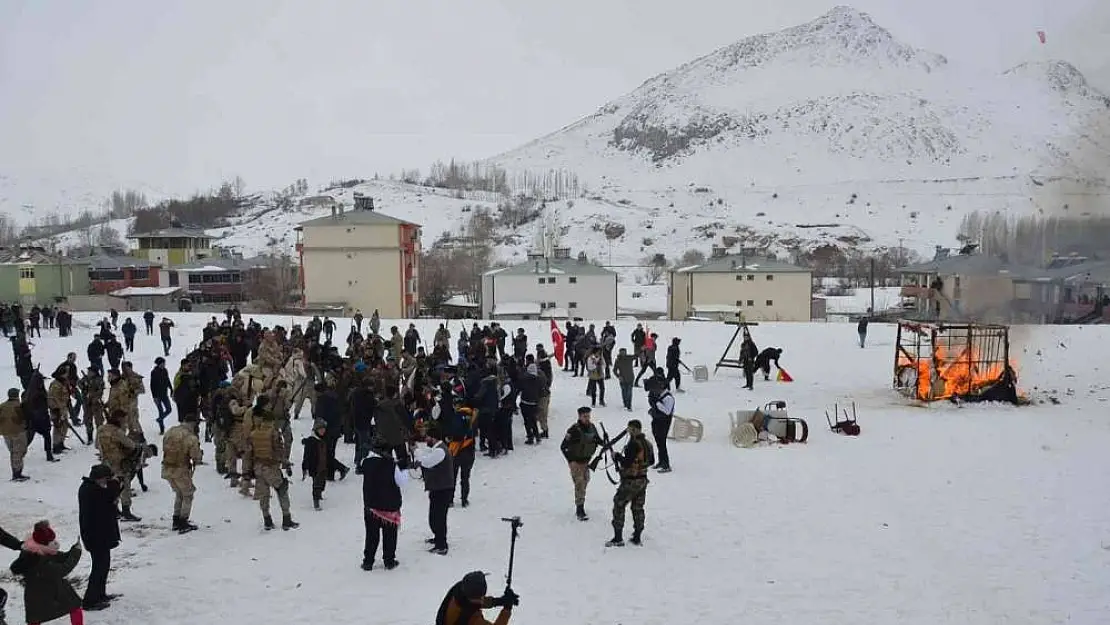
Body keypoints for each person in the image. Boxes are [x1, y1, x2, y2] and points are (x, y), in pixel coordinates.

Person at [9, 520, 84, 625]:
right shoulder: (40, 560)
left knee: (35, 618)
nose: (55, 543)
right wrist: (76, 552)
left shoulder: (34, 550)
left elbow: (59, 556)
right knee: (74, 607)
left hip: (35, 594)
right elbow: (63, 569)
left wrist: (72, 550)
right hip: (51, 592)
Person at [359, 436, 408, 571]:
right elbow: (403, 482)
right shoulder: (392, 466)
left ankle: (368, 561)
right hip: (389, 506)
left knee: (371, 535)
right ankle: (389, 560)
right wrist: (403, 467)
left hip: (371, 505)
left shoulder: (366, 462)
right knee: (390, 535)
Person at [78, 464, 122, 611]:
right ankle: (90, 600)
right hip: (96, 536)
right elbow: (110, 494)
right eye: (106, 479)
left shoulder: (90, 487)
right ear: (99, 478)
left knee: (103, 566)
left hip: (99, 535)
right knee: (99, 568)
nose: (107, 482)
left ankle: (100, 594)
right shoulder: (92, 490)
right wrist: (115, 483)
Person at [606, 419, 655, 547]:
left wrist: (617, 457)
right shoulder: (648, 444)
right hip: (642, 480)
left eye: (629, 429)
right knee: (638, 508)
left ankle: (618, 537)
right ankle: (637, 536)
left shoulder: (633, 444)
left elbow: (626, 462)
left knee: (619, 504)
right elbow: (652, 461)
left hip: (631, 481)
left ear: (633, 429)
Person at [249, 405, 299, 531]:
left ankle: (267, 520)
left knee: (264, 495)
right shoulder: (273, 433)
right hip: (271, 467)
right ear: (271, 421)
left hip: (258, 468)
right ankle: (286, 519)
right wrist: (285, 463)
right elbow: (279, 451)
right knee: (282, 489)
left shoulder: (254, 433)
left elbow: (249, 452)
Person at [414, 428, 454, 555]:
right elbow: (427, 455)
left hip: (442, 489)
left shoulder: (440, 451)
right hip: (439, 488)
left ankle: (441, 545)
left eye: (427, 437)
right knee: (434, 516)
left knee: (439, 517)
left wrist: (415, 451)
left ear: (434, 437)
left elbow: (427, 462)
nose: (426, 439)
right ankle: (438, 538)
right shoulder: (437, 449)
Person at [161, 413, 202, 533]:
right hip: (181, 469)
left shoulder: (170, 431)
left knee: (179, 493)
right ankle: (183, 521)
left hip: (167, 467)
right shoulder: (191, 437)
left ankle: (176, 519)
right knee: (188, 494)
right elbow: (195, 456)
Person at [560, 407, 602, 521]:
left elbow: (597, 440)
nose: (587, 418)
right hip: (576, 461)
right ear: (579, 416)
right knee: (579, 484)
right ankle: (580, 509)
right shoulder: (573, 430)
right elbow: (563, 447)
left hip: (586, 461)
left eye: (588, 416)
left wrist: (605, 443)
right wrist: (571, 461)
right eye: (584, 416)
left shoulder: (592, 428)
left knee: (585, 481)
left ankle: (580, 502)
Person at [435, 571, 518, 625]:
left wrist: (499, 601)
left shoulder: (459, 589)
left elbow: (474, 602)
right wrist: (507, 609)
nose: (482, 598)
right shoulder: (473, 620)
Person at [0, 388, 29, 481]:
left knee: (13, 452)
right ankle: (17, 473)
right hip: (18, 432)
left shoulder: (2, 406)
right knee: (19, 452)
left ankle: (16, 471)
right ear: (17, 396)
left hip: (5, 432)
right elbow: (24, 419)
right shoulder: (19, 406)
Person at [301, 419, 330, 510]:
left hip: (324, 465)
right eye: (320, 429)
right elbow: (306, 455)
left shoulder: (325, 439)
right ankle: (316, 501)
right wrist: (305, 467)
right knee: (316, 484)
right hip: (315, 466)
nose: (322, 431)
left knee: (322, 483)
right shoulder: (311, 441)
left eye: (324, 429)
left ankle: (320, 493)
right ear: (316, 430)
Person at [648, 382, 676, 473]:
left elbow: (667, 412)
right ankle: (661, 461)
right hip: (657, 422)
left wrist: (657, 403)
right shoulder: (659, 396)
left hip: (664, 423)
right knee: (659, 443)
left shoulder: (668, 398)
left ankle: (666, 464)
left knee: (662, 443)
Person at [150, 357, 173, 435]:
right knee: (160, 411)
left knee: (169, 409)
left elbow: (167, 380)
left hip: (164, 394)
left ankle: (160, 419)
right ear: (159, 364)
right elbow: (152, 385)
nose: (164, 365)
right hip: (157, 396)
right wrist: (154, 397)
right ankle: (162, 428)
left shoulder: (165, 371)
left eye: (164, 363)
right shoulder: (154, 372)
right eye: (162, 363)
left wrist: (171, 389)